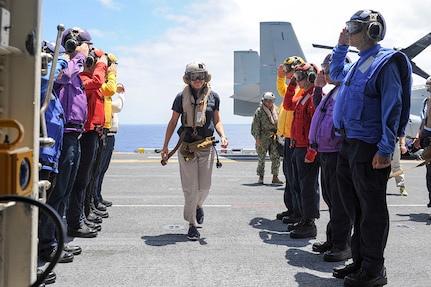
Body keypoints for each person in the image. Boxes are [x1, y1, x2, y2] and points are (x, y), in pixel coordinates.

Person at [330, 9, 412, 287]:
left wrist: (386, 148)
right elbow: (335, 73)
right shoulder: (358, 62)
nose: (349, 30)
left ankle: (374, 270)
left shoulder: (385, 62)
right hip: (349, 144)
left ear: (372, 31)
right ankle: (360, 261)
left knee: (372, 211)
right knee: (355, 209)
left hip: (370, 148)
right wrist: (341, 47)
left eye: (354, 27)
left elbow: (393, 107)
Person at [161, 62, 228, 241]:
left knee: (204, 187)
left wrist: (223, 136)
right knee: (190, 188)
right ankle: (191, 224)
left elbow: (218, 120)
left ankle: (199, 205)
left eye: (200, 76)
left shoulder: (214, 97)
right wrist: (166, 146)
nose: (197, 80)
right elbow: (173, 121)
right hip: (187, 147)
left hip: (206, 146)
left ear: (205, 78)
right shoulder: (179, 97)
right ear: (188, 79)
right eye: (193, 77)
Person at [49, 27, 99, 241]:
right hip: (65, 134)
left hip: (75, 134)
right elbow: (64, 75)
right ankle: (49, 240)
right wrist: (78, 55)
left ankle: (58, 234)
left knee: (67, 188)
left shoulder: (74, 69)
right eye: (85, 45)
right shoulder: (62, 65)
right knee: (59, 190)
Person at [308, 54, 352, 262]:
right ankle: (333, 239)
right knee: (331, 198)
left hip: (337, 151)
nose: (325, 73)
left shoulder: (347, 89)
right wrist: (317, 87)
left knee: (340, 201)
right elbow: (319, 109)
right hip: (326, 150)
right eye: (324, 68)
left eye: (327, 69)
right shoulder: (334, 91)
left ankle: (343, 245)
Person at [38, 40, 75, 269]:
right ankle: (44, 249)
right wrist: (62, 59)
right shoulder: (42, 81)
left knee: (53, 200)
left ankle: (50, 243)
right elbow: (48, 80)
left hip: (51, 154)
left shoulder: (48, 86)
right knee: (41, 206)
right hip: (43, 154)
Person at [282, 62, 320, 239]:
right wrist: (290, 84)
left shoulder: (313, 97)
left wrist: (311, 152)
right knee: (298, 185)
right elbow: (288, 104)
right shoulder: (304, 96)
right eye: (296, 78)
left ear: (311, 77)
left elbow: (315, 127)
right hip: (297, 146)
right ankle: (304, 218)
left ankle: (310, 223)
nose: (297, 81)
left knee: (308, 187)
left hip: (306, 149)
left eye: (299, 78)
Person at [275, 56, 305, 222]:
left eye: (288, 70)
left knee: (296, 177)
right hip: (287, 140)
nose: (286, 73)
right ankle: (292, 208)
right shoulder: (293, 90)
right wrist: (280, 76)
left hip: (296, 141)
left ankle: (299, 213)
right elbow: (283, 91)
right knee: (289, 175)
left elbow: (285, 94)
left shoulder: (301, 90)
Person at [91, 82, 125, 209]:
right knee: (98, 169)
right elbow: (118, 106)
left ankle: (97, 196)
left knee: (102, 169)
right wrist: (121, 93)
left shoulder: (106, 94)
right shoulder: (104, 91)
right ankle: (95, 198)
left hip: (110, 134)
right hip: (106, 133)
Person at [251, 92, 283, 185]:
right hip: (262, 137)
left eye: (271, 101)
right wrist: (257, 138)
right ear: (263, 101)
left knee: (276, 156)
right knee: (261, 157)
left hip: (274, 136)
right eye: (267, 100)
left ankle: (275, 176)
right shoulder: (259, 112)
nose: (269, 103)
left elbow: (280, 123)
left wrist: (281, 135)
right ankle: (261, 177)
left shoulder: (276, 110)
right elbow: (255, 126)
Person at [413, 76, 431, 217]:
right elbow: (424, 121)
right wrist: (418, 137)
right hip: (427, 139)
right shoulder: (427, 101)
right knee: (429, 174)